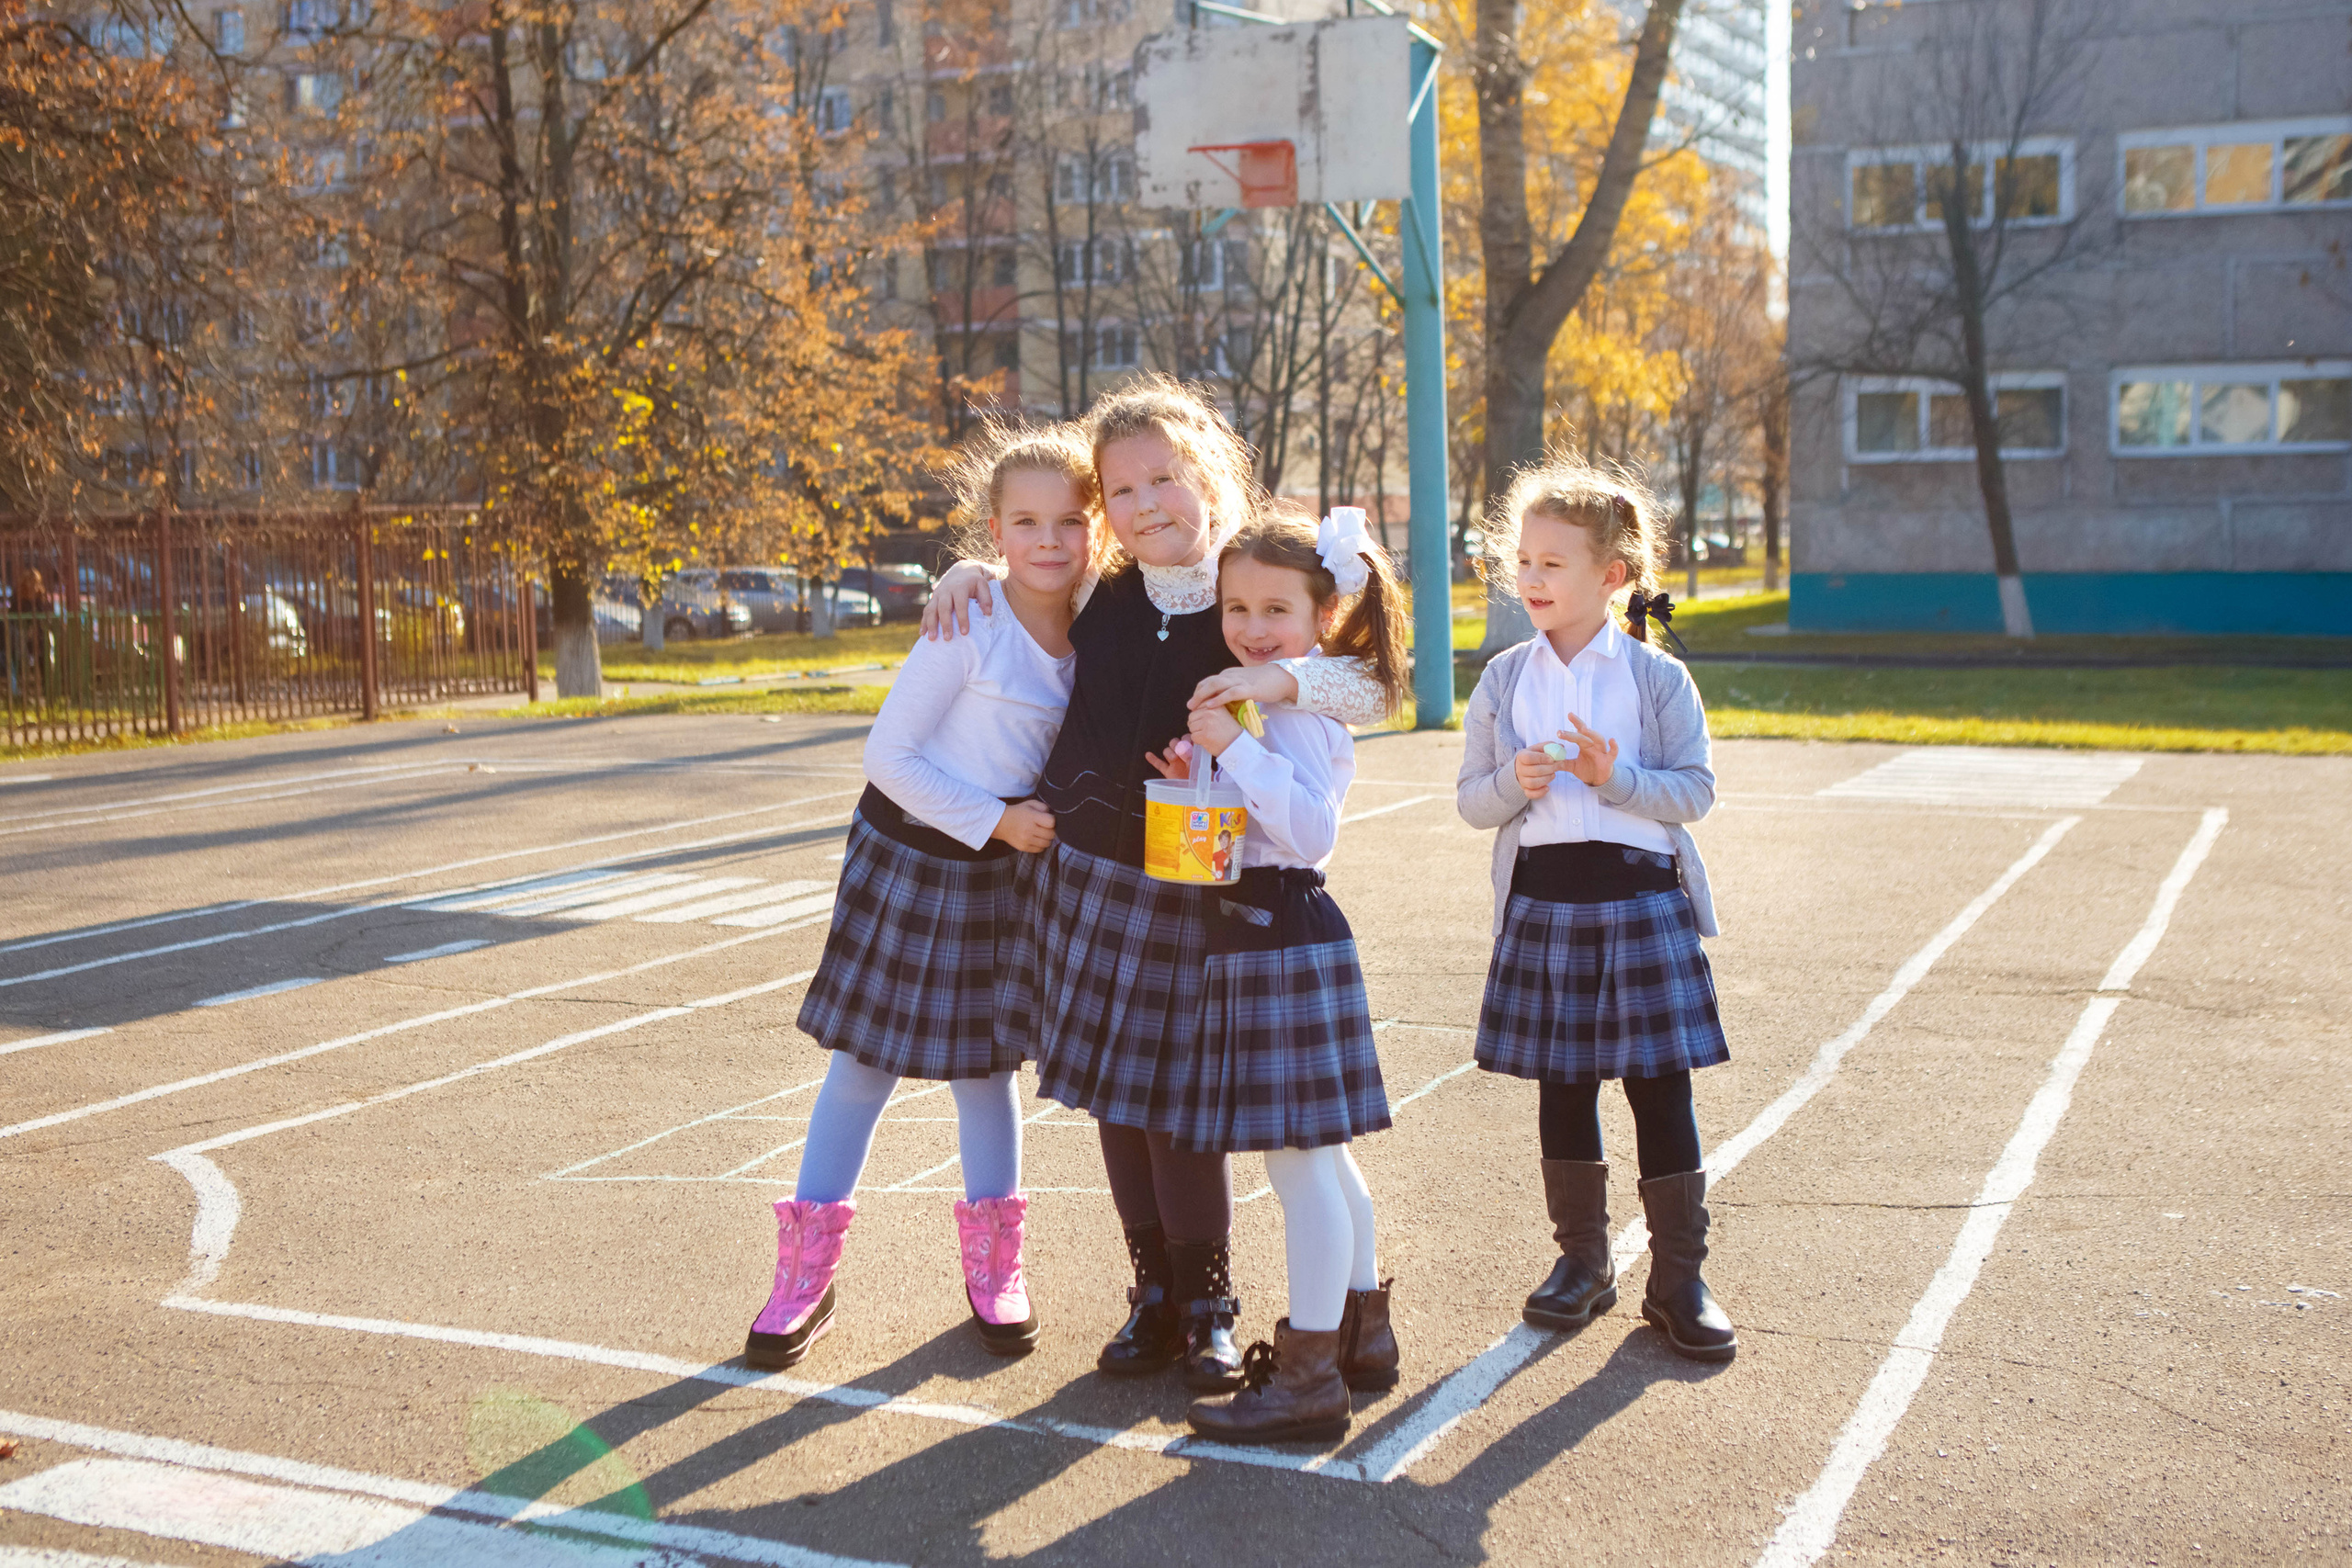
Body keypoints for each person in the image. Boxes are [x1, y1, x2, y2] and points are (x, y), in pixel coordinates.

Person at [922, 376, 1389, 1393]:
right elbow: (1015, 583)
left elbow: (1369, 680)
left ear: (1206, 475)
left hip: (1194, 885)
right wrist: (963, 569)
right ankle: (1154, 1298)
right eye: (1121, 492)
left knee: (1182, 1107)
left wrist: (1273, 680)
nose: (1145, 506)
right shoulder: (1099, 590)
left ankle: (1210, 1304)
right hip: (1086, 878)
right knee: (1115, 1106)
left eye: (1164, 480)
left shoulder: (1246, 583)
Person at [744, 422, 1099, 1371]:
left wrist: (1003, 834)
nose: (1050, 541)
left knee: (987, 1071)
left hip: (1001, 874)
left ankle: (995, 1270)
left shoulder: (1098, 617)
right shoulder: (970, 618)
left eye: (1069, 521)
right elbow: (887, 758)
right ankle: (803, 1277)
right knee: (863, 1066)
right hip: (911, 860)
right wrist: (990, 817)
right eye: (1025, 522)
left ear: (1094, 528)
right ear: (994, 530)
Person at [1453, 454, 1738, 1363]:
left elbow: (1692, 793)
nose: (1529, 578)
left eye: (1552, 564)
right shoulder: (1504, 680)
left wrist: (1613, 778)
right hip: (1545, 904)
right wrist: (1513, 780)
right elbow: (1473, 803)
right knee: (1562, 1085)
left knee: (1661, 1088)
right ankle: (1581, 1262)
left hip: (1641, 901)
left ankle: (1677, 1276)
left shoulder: (1655, 681)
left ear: (1609, 577)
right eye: (1523, 561)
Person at [1170, 503, 1407, 1445]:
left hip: (1282, 928)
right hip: (1256, 925)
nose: (1251, 626)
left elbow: (1310, 832)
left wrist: (1237, 750)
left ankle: (1308, 1376)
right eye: (1235, 607)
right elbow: (1254, 815)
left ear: (1320, 618)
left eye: (1276, 608)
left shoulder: (1305, 700)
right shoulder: (1263, 704)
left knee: (1297, 1165)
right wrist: (1200, 771)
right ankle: (1362, 1333)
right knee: (1321, 1155)